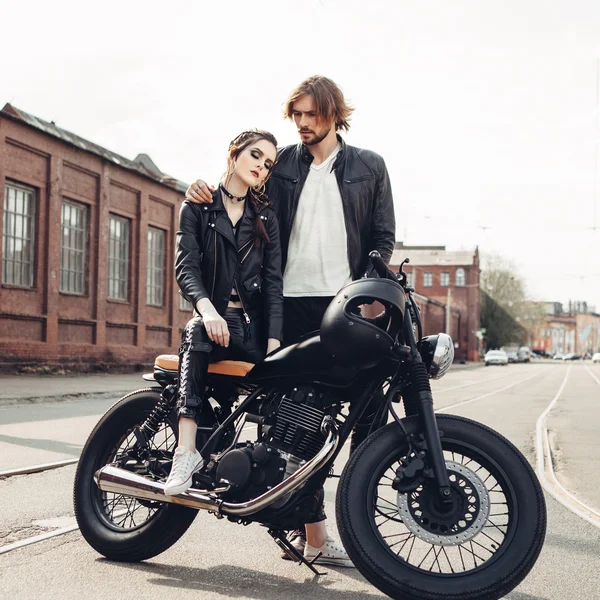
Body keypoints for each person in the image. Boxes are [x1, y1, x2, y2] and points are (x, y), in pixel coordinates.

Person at [186, 75, 395, 566]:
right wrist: (203, 188)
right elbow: (242, 186)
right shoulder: (281, 168)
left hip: (343, 304)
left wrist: (369, 289)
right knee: (292, 419)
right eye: (296, 115)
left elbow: (382, 236)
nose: (301, 124)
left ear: (333, 113)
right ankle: (309, 533)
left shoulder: (369, 166)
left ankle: (358, 523)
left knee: (362, 414)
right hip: (286, 302)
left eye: (311, 115)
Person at [167, 129, 283, 498]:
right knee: (195, 331)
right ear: (234, 155)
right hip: (213, 324)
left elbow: (274, 284)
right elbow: (186, 269)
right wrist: (208, 313)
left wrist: (275, 343)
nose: (261, 167)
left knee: (292, 379)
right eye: (255, 156)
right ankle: (185, 454)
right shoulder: (198, 208)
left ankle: (272, 482)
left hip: (251, 330)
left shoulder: (265, 218)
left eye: (268, 164)